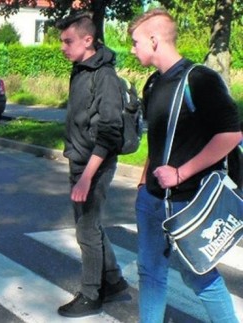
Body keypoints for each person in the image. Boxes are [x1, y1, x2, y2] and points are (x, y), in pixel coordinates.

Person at [129, 9, 241, 322]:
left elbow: (231, 134)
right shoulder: (152, 84)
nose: (132, 48)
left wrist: (180, 173)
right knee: (150, 275)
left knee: (200, 278)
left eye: (136, 42)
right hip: (152, 201)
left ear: (153, 39)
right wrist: (142, 186)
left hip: (188, 204)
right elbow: (157, 141)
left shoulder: (200, 79)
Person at [55, 12, 129, 318]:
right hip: (80, 161)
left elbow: (110, 132)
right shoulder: (81, 68)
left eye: (68, 41)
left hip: (94, 166)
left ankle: (91, 294)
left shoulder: (105, 77)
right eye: (61, 41)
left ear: (88, 40)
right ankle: (112, 281)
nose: (62, 47)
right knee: (92, 225)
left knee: (86, 231)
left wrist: (86, 177)